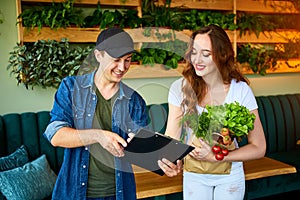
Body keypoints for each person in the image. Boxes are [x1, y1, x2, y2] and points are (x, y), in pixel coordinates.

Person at [43, 27, 179, 200]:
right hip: (75, 193)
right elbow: (55, 135)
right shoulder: (71, 88)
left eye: (127, 60)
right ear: (98, 55)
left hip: (119, 193)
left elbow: (139, 148)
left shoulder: (134, 101)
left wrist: (163, 157)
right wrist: (98, 135)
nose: (122, 67)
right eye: (116, 60)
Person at [164, 24, 266, 200]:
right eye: (194, 52)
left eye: (206, 54)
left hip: (229, 175)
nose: (197, 60)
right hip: (194, 174)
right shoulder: (180, 88)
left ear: (222, 55)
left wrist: (216, 158)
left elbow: (259, 147)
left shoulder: (240, 90)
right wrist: (170, 161)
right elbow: (172, 137)